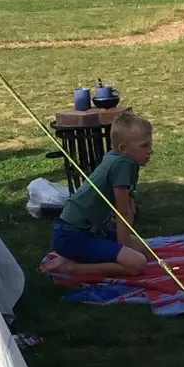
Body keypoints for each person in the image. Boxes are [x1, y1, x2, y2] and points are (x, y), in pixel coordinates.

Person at [40, 109, 152, 279]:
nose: (151, 150)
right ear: (123, 148)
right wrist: (123, 249)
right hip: (73, 235)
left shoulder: (118, 157)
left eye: (150, 144)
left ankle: (79, 258)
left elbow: (127, 204)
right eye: (144, 145)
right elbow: (123, 213)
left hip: (89, 231)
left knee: (142, 250)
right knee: (137, 264)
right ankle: (71, 267)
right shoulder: (123, 163)